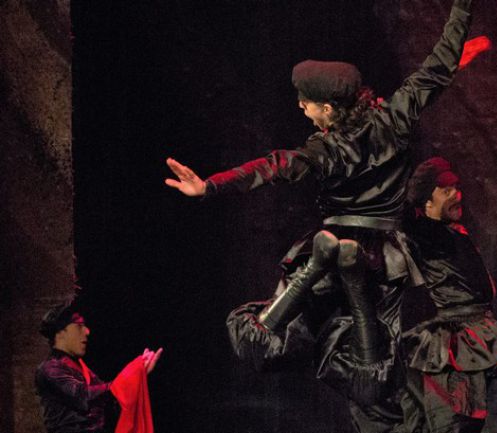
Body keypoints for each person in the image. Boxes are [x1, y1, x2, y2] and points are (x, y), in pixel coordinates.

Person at [164, 1, 476, 431]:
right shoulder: (395, 117)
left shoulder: (325, 150)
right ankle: (346, 273)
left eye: (306, 103)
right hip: (386, 260)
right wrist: (462, 8)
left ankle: (317, 266)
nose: (301, 108)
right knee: (373, 371)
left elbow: (274, 166)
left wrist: (211, 185)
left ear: (328, 109)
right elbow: (439, 66)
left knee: (266, 343)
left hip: (333, 244)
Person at [401, 157, 497, 433]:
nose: (457, 194)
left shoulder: (455, 234)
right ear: (427, 201)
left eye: (456, 188)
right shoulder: (419, 237)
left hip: (474, 336)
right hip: (451, 344)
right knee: (454, 422)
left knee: (466, 419)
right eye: (446, 190)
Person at [35, 298, 162, 433]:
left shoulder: (81, 368)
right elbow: (85, 396)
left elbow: (110, 401)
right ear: (61, 333)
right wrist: (129, 377)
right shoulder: (50, 369)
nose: (87, 331)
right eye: (79, 326)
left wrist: (139, 374)